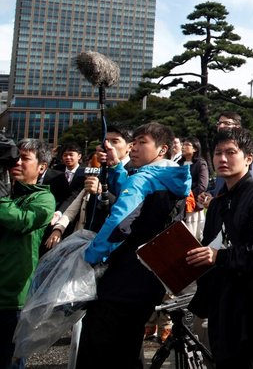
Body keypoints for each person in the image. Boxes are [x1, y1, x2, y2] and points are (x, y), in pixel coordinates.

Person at [77, 122, 190, 369]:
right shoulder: (170, 176)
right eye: (134, 142)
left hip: (124, 281)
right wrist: (117, 166)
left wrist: (91, 255)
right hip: (149, 277)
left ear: (162, 150)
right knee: (127, 346)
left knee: (101, 348)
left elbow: (119, 223)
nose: (134, 148)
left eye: (142, 143)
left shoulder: (144, 180)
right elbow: (131, 192)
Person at [188, 127, 253, 369]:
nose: (222, 159)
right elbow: (210, 243)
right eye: (218, 153)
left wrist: (218, 257)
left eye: (231, 152)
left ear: (249, 158)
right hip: (221, 299)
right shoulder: (221, 198)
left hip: (249, 301)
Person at [0, 140, 55, 369]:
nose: (18, 163)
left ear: (42, 167)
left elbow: (22, 221)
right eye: (16, 157)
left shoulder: (43, 199)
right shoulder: (7, 193)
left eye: (25, 158)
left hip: (12, 298)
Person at [180, 137, 208, 240]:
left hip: (193, 206)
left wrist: (186, 194)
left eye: (187, 145)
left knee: (193, 237)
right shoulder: (179, 163)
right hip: (179, 206)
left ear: (195, 148)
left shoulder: (200, 163)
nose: (183, 147)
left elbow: (202, 186)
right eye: (183, 144)